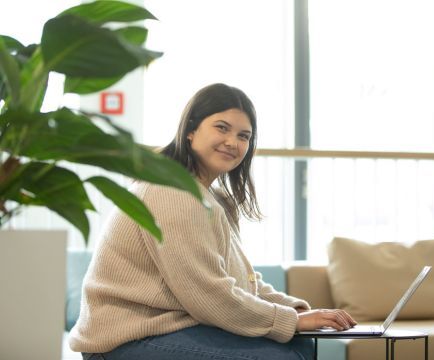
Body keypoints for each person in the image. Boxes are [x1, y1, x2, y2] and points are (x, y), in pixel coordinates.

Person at [69, 83, 356, 360]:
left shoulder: (212, 198)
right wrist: (291, 320)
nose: (233, 142)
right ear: (191, 130)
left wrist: (298, 311)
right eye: (222, 127)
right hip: (124, 341)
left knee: (300, 347)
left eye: (244, 136)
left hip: (168, 329)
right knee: (280, 356)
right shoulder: (172, 192)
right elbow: (209, 296)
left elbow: (239, 282)